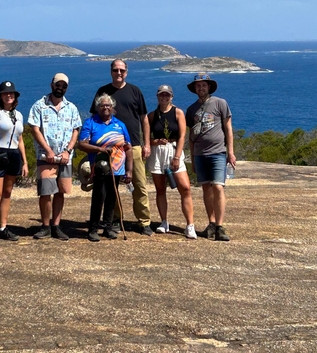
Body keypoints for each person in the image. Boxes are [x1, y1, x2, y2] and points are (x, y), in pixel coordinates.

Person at [90, 59, 152, 236]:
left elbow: (144, 119)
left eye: (122, 70)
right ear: (111, 71)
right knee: (112, 186)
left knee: (139, 185)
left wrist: (147, 143)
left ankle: (144, 222)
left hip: (134, 146)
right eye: (116, 70)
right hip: (111, 151)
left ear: (127, 71)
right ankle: (114, 220)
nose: (119, 73)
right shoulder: (103, 92)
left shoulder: (135, 91)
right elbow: (94, 118)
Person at [28, 73, 82, 241]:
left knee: (60, 192)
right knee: (45, 192)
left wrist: (68, 150)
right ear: (52, 85)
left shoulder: (71, 107)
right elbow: (35, 129)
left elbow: (76, 130)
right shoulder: (39, 106)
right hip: (46, 157)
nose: (60, 88)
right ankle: (45, 226)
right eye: (58, 85)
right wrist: (48, 150)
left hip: (65, 157)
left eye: (64, 86)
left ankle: (56, 226)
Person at [185, 73, 235, 241]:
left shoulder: (221, 103)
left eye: (203, 85)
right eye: (198, 86)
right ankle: (211, 223)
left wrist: (231, 152)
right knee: (206, 188)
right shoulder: (191, 109)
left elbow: (228, 129)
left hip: (218, 152)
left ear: (209, 87)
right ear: (195, 89)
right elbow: (191, 136)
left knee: (218, 187)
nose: (201, 88)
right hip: (199, 154)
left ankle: (220, 226)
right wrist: (191, 158)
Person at [79, 93, 133, 242]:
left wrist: (129, 170)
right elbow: (82, 144)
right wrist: (101, 150)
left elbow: (128, 148)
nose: (106, 108)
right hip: (99, 166)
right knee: (99, 197)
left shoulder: (120, 124)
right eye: (102, 106)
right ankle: (93, 229)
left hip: (117, 167)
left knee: (112, 197)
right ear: (97, 108)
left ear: (113, 107)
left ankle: (108, 227)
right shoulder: (90, 123)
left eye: (108, 105)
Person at [147, 85, 197, 239]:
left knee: (185, 188)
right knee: (160, 189)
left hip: (174, 150)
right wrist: (155, 142)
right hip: (158, 153)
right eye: (161, 95)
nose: (164, 98)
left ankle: (190, 225)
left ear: (171, 97)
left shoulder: (178, 112)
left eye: (167, 95)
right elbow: (148, 138)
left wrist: (177, 156)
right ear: (157, 96)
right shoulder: (151, 115)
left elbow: (182, 135)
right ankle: (164, 222)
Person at [0, 81, 29, 246]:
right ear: (0, 96)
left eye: (12, 93)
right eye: (5, 93)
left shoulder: (19, 115)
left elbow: (20, 139)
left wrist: (24, 162)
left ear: (15, 96)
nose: (9, 95)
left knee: (7, 194)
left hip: (13, 155)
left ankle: (3, 227)